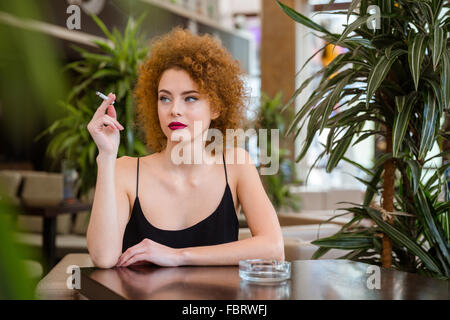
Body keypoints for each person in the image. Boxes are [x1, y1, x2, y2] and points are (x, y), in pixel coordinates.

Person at [86, 27, 284, 268]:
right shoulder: (125, 170)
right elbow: (103, 258)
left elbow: (274, 249)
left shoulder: (236, 165)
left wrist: (178, 256)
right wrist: (106, 157)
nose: (174, 110)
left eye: (190, 98)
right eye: (165, 98)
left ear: (216, 107)